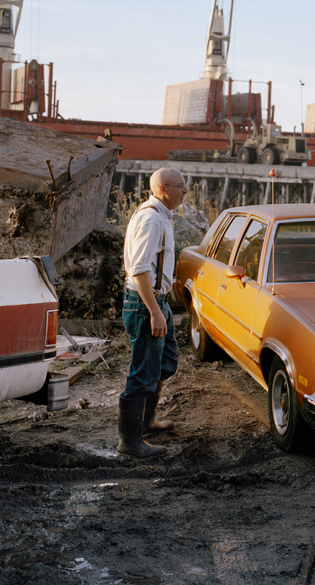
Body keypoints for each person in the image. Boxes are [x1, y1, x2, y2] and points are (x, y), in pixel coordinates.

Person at [117, 167, 187, 458]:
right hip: (147, 304)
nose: (185, 191)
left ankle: (146, 423)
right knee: (143, 373)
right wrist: (155, 312)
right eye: (180, 187)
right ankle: (130, 443)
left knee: (165, 363)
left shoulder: (162, 216)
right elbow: (140, 270)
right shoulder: (151, 219)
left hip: (158, 302)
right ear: (162, 189)